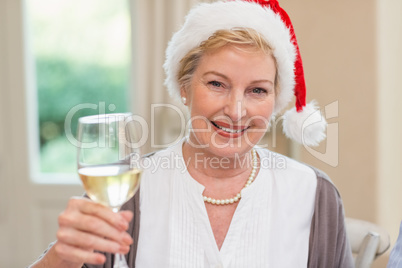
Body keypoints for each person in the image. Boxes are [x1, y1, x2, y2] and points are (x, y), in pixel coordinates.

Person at [30, 0, 353, 267]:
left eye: (257, 90)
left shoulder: (315, 195)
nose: (237, 110)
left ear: (276, 100)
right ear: (184, 87)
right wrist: (62, 254)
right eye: (216, 84)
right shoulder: (127, 192)